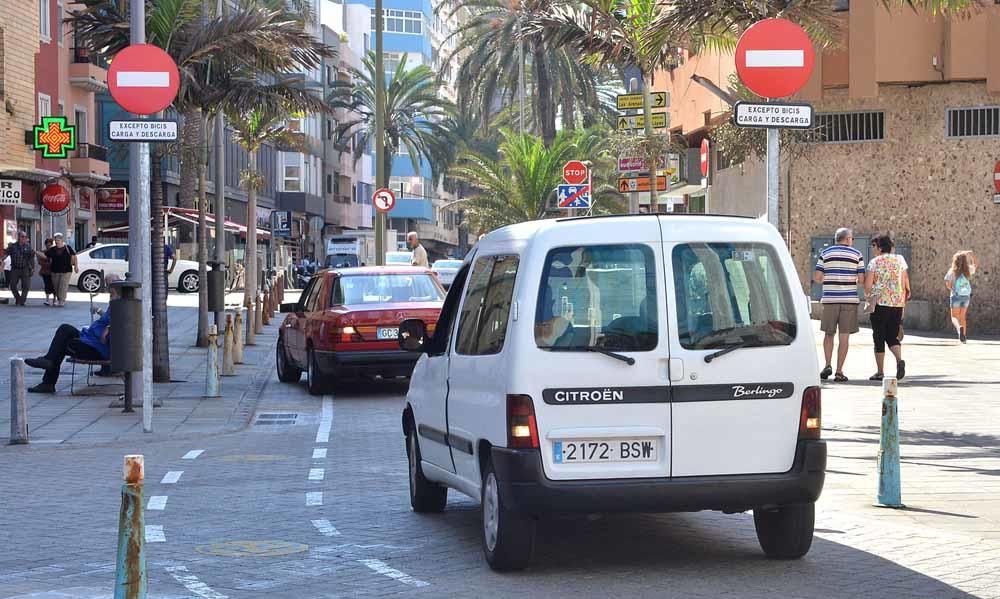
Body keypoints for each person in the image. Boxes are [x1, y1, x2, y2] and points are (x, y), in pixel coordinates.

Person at [23, 275, 120, 393]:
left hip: (96, 348)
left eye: (112, 294)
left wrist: (110, 327)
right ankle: (48, 366)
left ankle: (48, 379)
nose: (110, 297)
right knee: (65, 329)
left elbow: (122, 323)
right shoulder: (114, 306)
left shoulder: (121, 307)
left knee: (61, 345)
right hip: (89, 340)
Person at [813, 228, 865, 382]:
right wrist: (850, 281)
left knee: (829, 334)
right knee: (844, 337)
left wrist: (830, 280)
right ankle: (839, 371)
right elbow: (861, 280)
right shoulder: (857, 255)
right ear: (848, 239)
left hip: (830, 300)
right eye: (852, 238)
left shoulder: (825, 253)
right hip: (849, 301)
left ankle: (827, 364)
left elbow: (817, 277)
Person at [864, 234, 910, 381]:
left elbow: (868, 286)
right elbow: (905, 282)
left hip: (880, 303)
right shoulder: (900, 260)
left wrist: (868, 295)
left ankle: (880, 371)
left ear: (879, 247)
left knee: (879, 337)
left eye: (873, 246)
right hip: (897, 303)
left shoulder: (874, 262)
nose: (872, 249)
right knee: (892, 336)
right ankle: (899, 360)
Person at [945, 250, 978, 343]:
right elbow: (976, 264)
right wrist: (971, 255)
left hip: (955, 296)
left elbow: (947, 284)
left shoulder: (952, 271)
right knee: (962, 317)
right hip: (966, 296)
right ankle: (963, 338)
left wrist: (952, 289)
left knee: (954, 317)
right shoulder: (968, 270)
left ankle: (960, 330)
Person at [40, 233, 78, 307]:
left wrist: (76, 266)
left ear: (62, 240)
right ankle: (59, 299)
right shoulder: (52, 249)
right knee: (56, 286)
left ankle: (62, 300)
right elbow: (45, 256)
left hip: (66, 270)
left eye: (58, 240)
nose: (57, 242)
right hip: (55, 271)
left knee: (63, 286)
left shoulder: (68, 248)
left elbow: (74, 256)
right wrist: (37, 253)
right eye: (56, 240)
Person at [3, 230, 36, 306]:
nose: (24, 238)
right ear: (19, 237)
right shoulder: (13, 246)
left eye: (25, 237)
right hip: (15, 268)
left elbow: (31, 258)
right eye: (22, 236)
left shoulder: (28, 247)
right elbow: (6, 254)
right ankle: (18, 298)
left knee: (26, 286)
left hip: (25, 269)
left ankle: (22, 301)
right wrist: (2, 260)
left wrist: (32, 268)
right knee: (13, 285)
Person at [39, 238, 55, 306]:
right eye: (47, 245)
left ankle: (54, 299)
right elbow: (40, 262)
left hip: (53, 272)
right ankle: (47, 299)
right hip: (45, 272)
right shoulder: (43, 252)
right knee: (47, 285)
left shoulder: (54, 252)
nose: (48, 246)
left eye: (50, 245)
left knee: (54, 286)